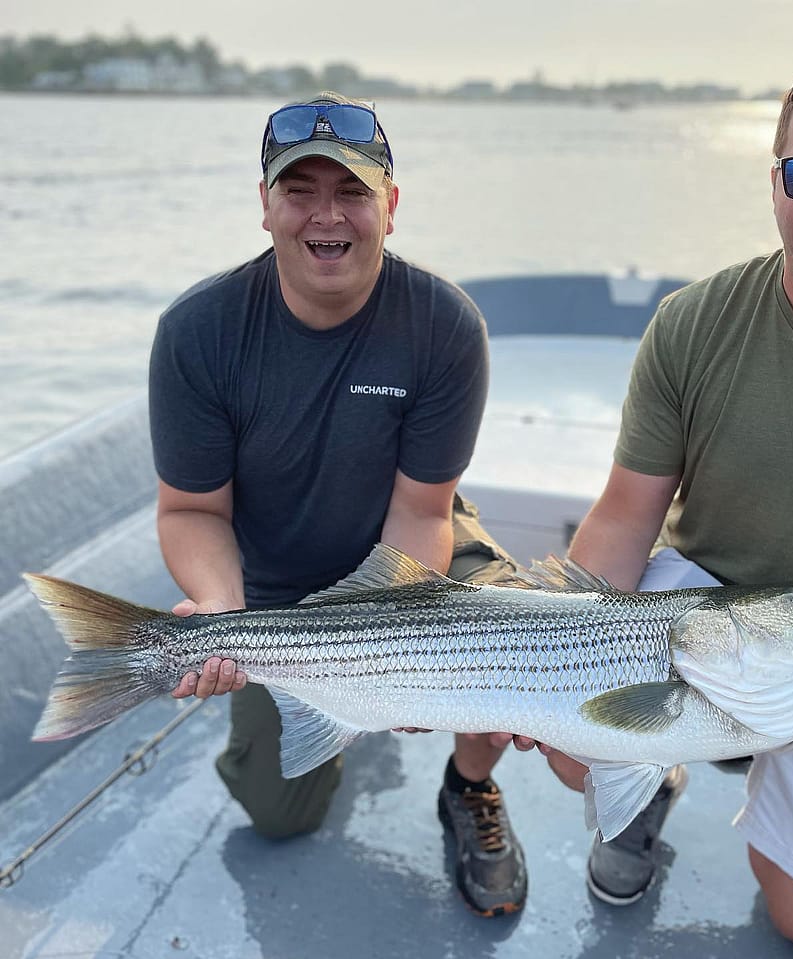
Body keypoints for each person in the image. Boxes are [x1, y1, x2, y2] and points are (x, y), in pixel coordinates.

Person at [498, 41, 793, 948]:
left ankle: (742, 769)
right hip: (698, 611)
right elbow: (627, 513)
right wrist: (540, 647)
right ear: (777, 178)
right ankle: (653, 777)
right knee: (563, 723)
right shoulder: (693, 320)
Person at [148, 91, 527, 918]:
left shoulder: (445, 326)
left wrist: (393, 659)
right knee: (281, 816)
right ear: (265, 207)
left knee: (520, 652)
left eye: (353, 191)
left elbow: (425, 512)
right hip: (271, 588)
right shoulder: (198, 332)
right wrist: (219, 609)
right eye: (301, 189)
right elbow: (191, 512)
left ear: (390, 207)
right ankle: (307, 712)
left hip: (406, 559)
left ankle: (467, 787)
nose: (328, 215)